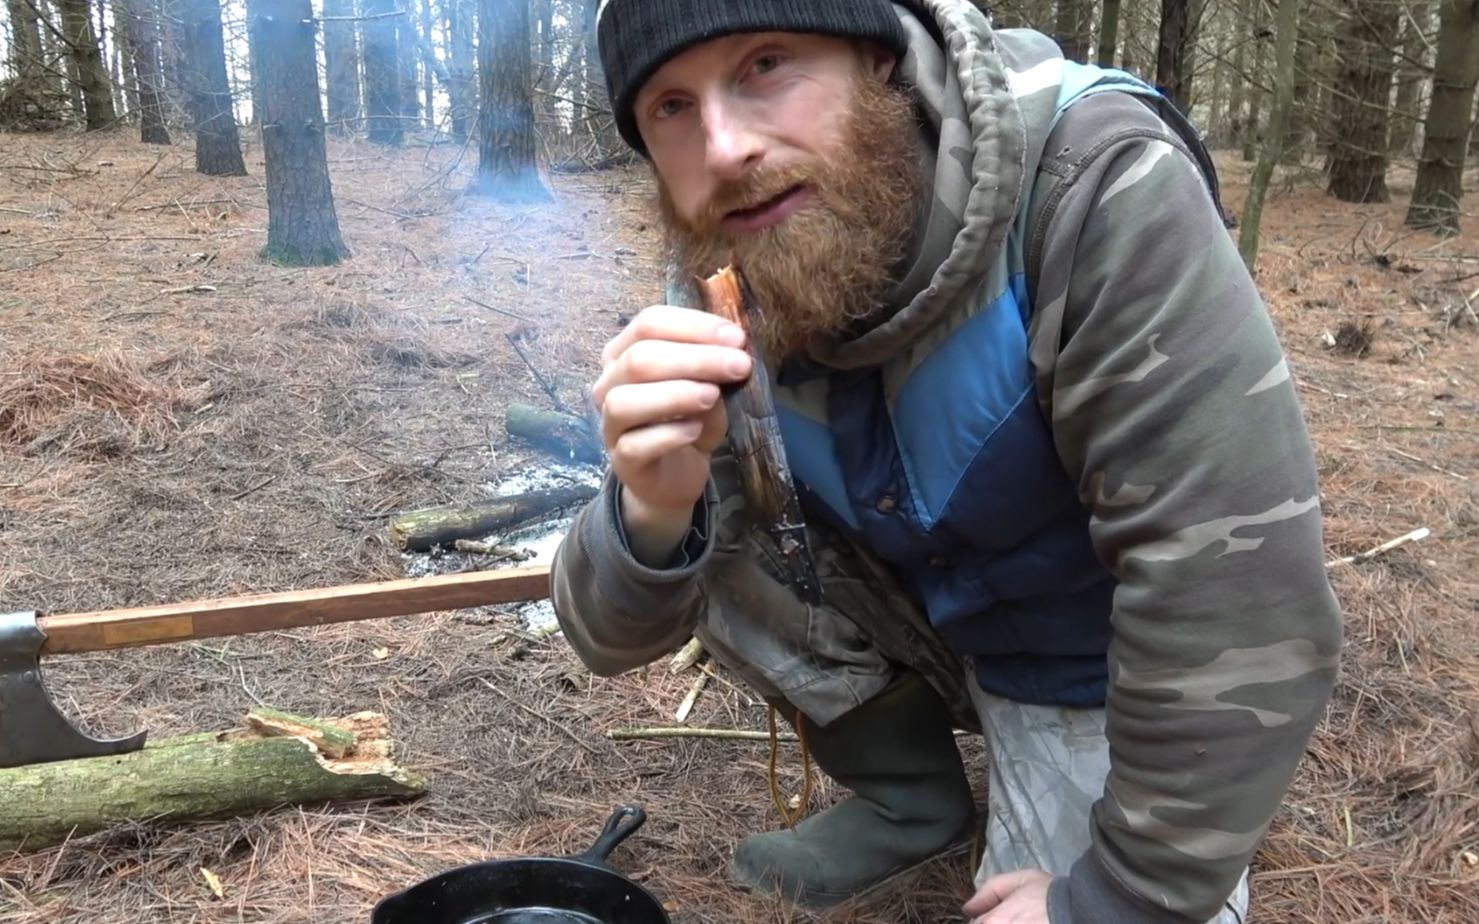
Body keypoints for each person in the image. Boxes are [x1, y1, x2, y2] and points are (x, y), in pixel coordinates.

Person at [550, 1, 1344, 922]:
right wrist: (648, 509)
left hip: (1091, 653)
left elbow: (1237, 591)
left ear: (877, 63)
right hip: (925, 606)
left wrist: (1115, 899)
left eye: (766, 63)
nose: (724, 147)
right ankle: (912, 801)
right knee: (703, 526)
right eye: (670, 108)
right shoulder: (732, 258)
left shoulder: (1091, 182)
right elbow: (606, 637)